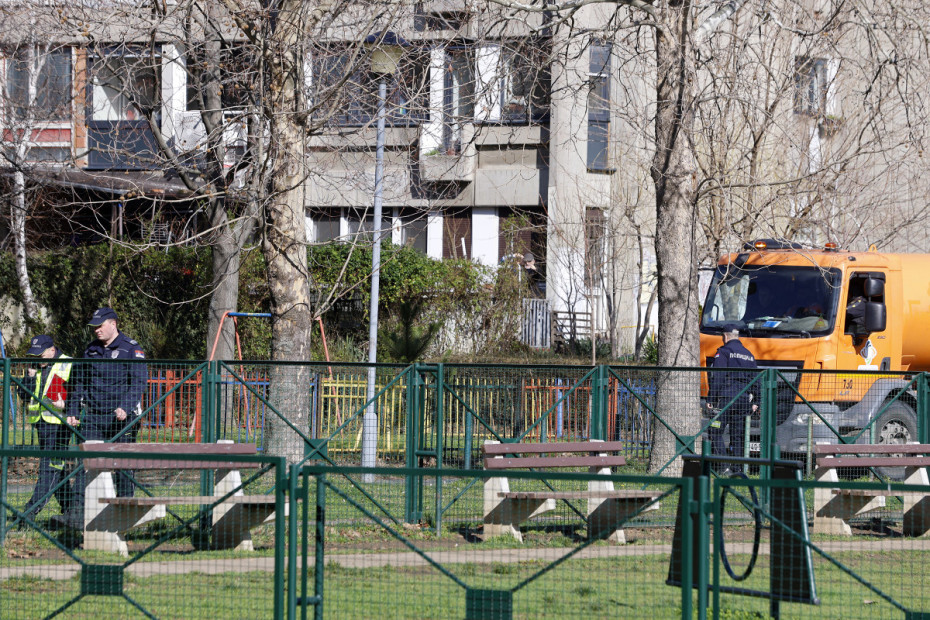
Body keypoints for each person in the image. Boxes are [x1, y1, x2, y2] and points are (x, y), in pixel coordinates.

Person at [63, 308, 147, 525]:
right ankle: (78, 514)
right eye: (94, 327)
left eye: (100, 326)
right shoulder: (90, 350)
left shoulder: (131, 348)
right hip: (93, 416)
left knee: (123, 465)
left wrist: (125, 407)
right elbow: (79, 382)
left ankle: (125, 512)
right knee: (86, 464)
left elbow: (138, 382)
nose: (96, 330)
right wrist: (73, 410)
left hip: (121, 418)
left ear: (113, 324)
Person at [17, 335, 76, 523]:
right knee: (57, 469)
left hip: (60, 425)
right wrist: (29, 377)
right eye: (34, 355)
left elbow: (79, 393)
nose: (37, 359)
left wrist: (66, 405)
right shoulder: (34, 367)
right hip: (41, 424)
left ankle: (30, 512)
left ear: (52, 350)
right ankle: (72, 511)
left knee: (49, 468)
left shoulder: (68, 363)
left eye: (40, 355)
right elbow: (23, 395)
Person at [705, 323, 758, 474]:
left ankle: (723, 466)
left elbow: (718, 376)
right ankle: (737, 469)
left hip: (725, 400)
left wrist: (711, 399)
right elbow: (756, 380)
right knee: (737, 436)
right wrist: (757, 402)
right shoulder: (749, 355)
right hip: (743, 401)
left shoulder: (723, 352)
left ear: (725, 336)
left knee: (714, 430)